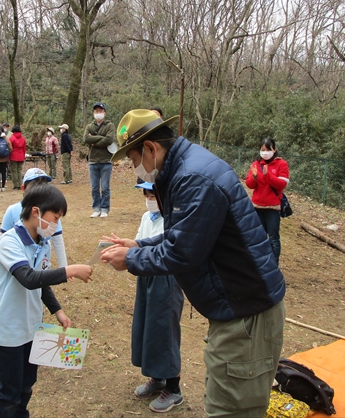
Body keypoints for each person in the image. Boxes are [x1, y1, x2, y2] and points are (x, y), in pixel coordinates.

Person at [100, 109, 286, 418]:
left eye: (133, 161)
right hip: (236, 309)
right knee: (224, 399)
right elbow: (185, 236)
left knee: (229, 409)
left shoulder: (193, 178)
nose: (135, 170)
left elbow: (182, 253)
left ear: (150, 148)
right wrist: (140, 244)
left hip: (247, 314)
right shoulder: (183, 169)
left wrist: (131, 259)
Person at [0, 185, 93, 417]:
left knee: (26, 386)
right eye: (55, 218)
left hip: (30, 329)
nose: (56, 225)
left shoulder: (41, 244)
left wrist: (58, 311)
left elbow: (42, 283)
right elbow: (29, 278)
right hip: (8, 332)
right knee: (10, 394)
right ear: (36, 211)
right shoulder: (9, 242)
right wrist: (69, 270)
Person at [129, 181, 184, 413]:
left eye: (154, 194)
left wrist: (136, 252)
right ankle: (157, 377)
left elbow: (163, 248)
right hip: (146, 276)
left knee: (164, 329)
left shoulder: (174, 220)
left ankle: (174, 389)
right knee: (148, 326)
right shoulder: (146, 217)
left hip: (166, 278)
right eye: (147, 193)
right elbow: (139, 242)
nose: (150, 198)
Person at [0, 168, 68, 267]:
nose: (39, 189)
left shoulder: (50, 215)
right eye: (34, 186)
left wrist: (64, 267)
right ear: (23, 188)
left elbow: (58, 240)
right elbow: (2, 242)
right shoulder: (12, 211)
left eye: (43, 185)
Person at [245, 138, 289, 264]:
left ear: (274, 150)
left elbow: (281, 184)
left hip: (272, 207)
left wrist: (267, 176)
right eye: (262, 150)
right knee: (259, 237)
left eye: (268, 150)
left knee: (273, 238)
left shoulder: (282, 164)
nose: (265, 152)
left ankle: (273, 264)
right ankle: (259, 263)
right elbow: (250, 185)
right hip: (257, 206)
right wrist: (254, 177)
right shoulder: (255, 164)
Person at [83, 102, 116, 218]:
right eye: (96, 111)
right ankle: (96, 208)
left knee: (105, 187)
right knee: (94, 187)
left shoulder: (110, 125)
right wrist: (101, 138)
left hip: (106, 161)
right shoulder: (89, 126)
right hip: (92, 161)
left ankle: (105, 209)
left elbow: (109, 139)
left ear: (105, 113)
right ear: (93, 113)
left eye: (100, 111)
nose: (98, 113)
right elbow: (86, 138)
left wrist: (94, 141)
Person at [9, 125, 27, 190]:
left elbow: (10, 147)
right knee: (19, 170)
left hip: (13, 156)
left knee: (14, 171)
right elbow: (24, 148)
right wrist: (23, 155)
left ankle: (16, 185)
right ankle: (20, 184)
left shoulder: (11, 138)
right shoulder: (23, 138)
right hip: (21, 155)